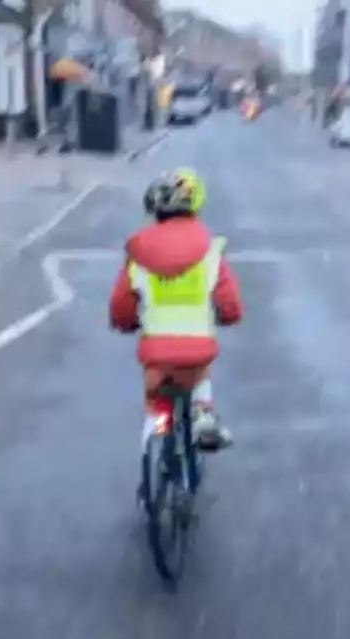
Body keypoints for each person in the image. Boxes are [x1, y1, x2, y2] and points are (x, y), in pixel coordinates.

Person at [109, 169, 243, 503]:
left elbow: (121, 306)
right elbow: (230, 305)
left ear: (155, 211)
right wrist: (226, 316)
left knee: (158, 391)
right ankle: (202, 412)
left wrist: (126, 322)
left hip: (156, 351)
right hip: (198, 349)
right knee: (198, 370)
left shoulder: (138, 253)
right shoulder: (211, 251)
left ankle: (156, 435)